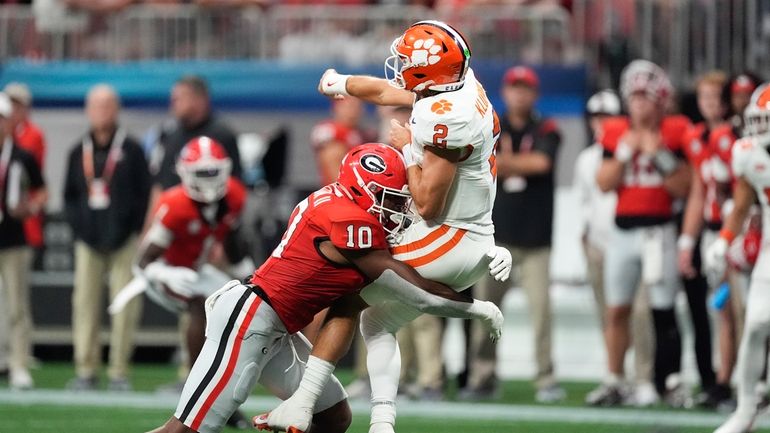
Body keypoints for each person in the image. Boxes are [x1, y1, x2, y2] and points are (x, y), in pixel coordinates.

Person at [147, 143, 505, 433]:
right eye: (389, 198)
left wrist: (485, 249)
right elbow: (416, 291)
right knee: (185, 431)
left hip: (276, 327)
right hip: (249, 321)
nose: (397, 208)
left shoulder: (340, 205)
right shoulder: (347, 222)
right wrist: (479, 307)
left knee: (334, 418)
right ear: (359, 191)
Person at [260, 20, 510, 433]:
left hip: (447, 237)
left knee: (349, 296)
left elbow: (428, 204)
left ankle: (304, 405)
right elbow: (386, 91)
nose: (402, 65)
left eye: (411, 61)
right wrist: (341, 83)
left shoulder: (446, 121)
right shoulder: (458, 86)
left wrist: (407, 146)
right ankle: (381, 423)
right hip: (468, 233)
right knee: (376, 321)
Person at [110, 136, 251, 428]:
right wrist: (165, 273)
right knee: (202, 306)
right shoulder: (174, 204)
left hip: (198, 270)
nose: (208, 180)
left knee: (239, 307)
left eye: (212, 172)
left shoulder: (234, 195)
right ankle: (196, 384)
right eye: (202, 173)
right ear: (186, 173)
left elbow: (232, 239)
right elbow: (142, 261)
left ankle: (220, 394)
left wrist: (245, 272)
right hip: (162, 273)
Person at [588, 60, 691, 407]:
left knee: (662, 311)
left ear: (660, 100)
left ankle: (671, 382)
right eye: (634, 97)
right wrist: (626, 152)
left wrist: (657, 155)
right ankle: (614, 379)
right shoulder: (616, 131)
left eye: (645, 97)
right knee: (617, 310)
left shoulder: (676, 130)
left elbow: (684, 187)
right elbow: (603, 183)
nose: (639, 103)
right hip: (622, 233)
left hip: (658, 231)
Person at [461, 65, 564, 403]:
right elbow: (480, 163)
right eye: (514, 88)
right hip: (496, 238)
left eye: (526, 88)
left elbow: (542, 164)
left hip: (536, 240)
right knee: (485, 312)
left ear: (534, 94)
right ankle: (483, 376)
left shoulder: (547, 128)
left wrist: (502, 162)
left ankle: (545, 378)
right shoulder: (491, 124)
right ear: (505, 92)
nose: (519, 94)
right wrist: (511, 162)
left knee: (541, 315)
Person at [63, 84, 151, 391]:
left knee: (125, 305)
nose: (102, 112)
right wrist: (81, 230)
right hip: (88, 242)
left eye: (107, 106)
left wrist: (135, 229)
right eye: (96, 106)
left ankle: (119, 371)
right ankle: (86, 368)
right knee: (84, 305)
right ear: (88, 111)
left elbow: (145, 194)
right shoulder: (78, 151)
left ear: (116, 110)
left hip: (124, 241)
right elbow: (70, 197)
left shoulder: (133, 150)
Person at [575, 89, 657, 407]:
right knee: (609, 316)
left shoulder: (633, 148)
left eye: (607, 116)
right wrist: (583, 238)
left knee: (640, 313)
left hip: (631, 240)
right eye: (597, 117)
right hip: (598, 244)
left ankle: (644, 379)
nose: (601, 123)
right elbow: (585, 203)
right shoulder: (586, 159)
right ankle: (615, 378)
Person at [710, 84, 770, 433]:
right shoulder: (749, 154)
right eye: (757, 121)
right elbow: (743, 203)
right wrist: (724, 240)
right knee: (757, 324)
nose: (759, 129)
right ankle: (745, 409)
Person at [678, 71, 737, 410]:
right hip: (714, 232)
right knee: (720, 310)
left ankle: (739, 380)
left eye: (716, 96)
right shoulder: (697, 136)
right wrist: (687, 241)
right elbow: (700, 190)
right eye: (705, 97)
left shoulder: (738, 134)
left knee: (741, 311)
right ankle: (721, 381)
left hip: (739, 232)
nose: (711, 104)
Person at [0, 92, 47, 390]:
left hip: (14, 239)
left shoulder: (21, 156)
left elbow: (42, 191)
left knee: (17, 304)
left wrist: (29, 208)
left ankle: (18, 362)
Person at [4, 82, 45, 252]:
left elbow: (33, 177)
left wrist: (32, 207)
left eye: (17, 105)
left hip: (21, 216)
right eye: (10, 104)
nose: (14, 110)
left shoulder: (32, 135)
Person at [311, 96, 370, 186]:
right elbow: (330, 157)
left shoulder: (366, 134)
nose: (353, 111)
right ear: (336, 107)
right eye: (349, 106)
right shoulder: (330, 130)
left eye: (357, 106)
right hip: (340, 189)